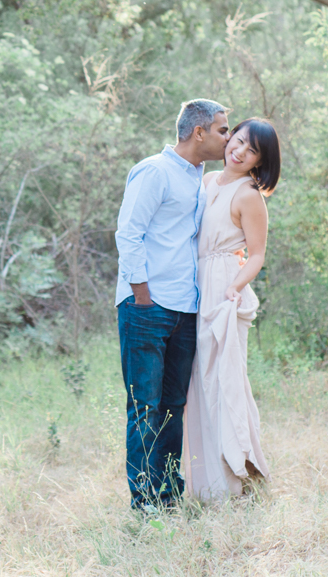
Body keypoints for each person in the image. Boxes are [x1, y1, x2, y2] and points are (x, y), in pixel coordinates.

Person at [114, 99, 230, 511]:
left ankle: (167, 496)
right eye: (222, 129)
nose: (228, 137)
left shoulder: (202, 180)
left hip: (186, 309)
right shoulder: (154, 171)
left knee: (172, 409)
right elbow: (128, 233)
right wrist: (142, 295)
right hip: (147, 307)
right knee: (144, 408)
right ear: (199, 132)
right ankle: (144, 503)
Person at [185, 117, 280, 499]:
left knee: (224, 380)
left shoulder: (249, 195)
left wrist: (233, 287)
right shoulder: (206, 182)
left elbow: (256, 255)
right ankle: (206, 485)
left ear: (260, 161)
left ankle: (239, 476)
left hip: (225, 285)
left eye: (251, 150)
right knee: (198, 381)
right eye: (237, 141)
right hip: (196, 282)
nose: (239, 151)